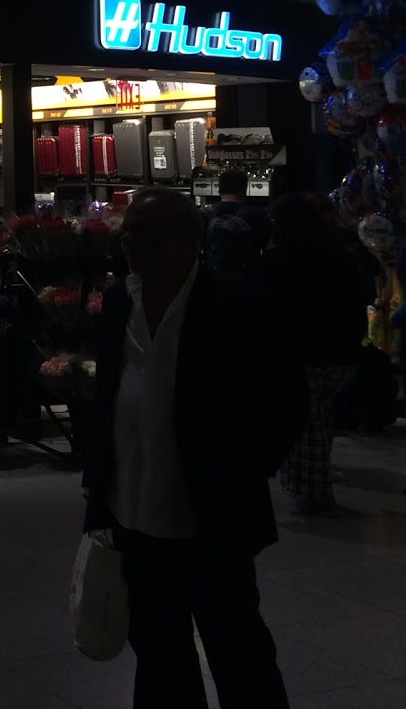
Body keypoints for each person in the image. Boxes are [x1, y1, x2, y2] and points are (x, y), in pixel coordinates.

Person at [83, 187, 306, 709]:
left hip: (211, 520)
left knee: (239, 653)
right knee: (160, 657)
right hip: (131, 518)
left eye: (147, 235)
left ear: (187, 241)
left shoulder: (236, 305)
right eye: (129, 233)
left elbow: (286, 400)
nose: (132, 244)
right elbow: (108, 393)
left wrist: (243, 470)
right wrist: (97, 490)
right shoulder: (121, 301)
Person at [262, 192, 374, 515]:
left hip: (300, 355)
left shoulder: (277, 261)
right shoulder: (339, 257)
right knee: (318, 420)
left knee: (306, 423)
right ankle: (314, 484)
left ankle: (312, 491)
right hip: (340, 353)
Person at [199, 169, 269, 281]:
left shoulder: (204, 215)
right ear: (244, 189)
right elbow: (265, 248)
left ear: (219, 189)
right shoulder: (257, 215)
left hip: (213, 282)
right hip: (248, 281)